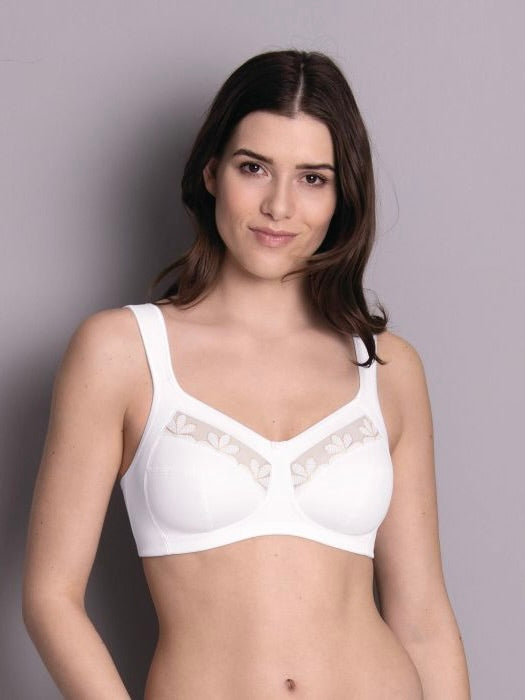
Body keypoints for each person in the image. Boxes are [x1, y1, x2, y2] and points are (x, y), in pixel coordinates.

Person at [22, 49, 470, 698]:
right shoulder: (121, 352)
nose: (279, 206)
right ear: (211, 171)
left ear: (341, 195)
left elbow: (422, 618)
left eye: (312, 178)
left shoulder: (389, 368)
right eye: (253, 168)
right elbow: (51, 597)